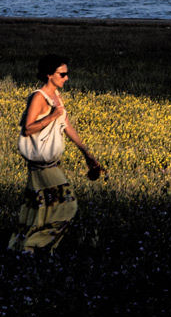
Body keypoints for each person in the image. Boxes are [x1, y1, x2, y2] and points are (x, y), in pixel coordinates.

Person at [7, 55, 104, 254]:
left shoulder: (56, 96)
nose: (66, 78)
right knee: (67, 206)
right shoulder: (38, 97)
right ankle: (33, 246)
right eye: (63, 74)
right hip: (42, 166)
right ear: (49, 75)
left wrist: (86, 153)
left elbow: (66, 125)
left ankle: (30, 248)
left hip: (50, 163)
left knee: (42, 207)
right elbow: (27, 129)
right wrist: (51, 116)